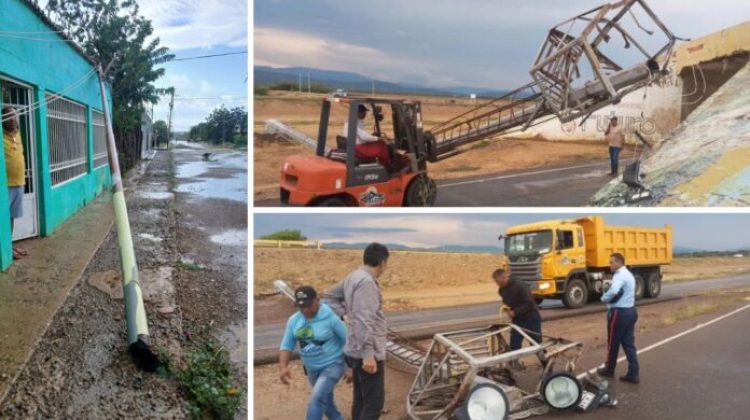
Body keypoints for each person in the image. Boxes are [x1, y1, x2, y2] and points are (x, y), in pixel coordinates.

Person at [324, 243, 389, 420]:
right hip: (367, 352)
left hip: (353, 347)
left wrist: (345, 314)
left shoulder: (354, 276)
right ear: (383, 262)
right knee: (374, 403)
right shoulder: (367, 283)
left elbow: (329, 296)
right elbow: (365, 319)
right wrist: (368, 354)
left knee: (360, 398)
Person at [279, 286, 349, 420]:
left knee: (317, 398)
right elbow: (287, 344)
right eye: (301, 307)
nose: (305, 310)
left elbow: (348, 340)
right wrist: (283, 367)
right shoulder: (294, 321)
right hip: (312, 369)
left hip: (333, 364)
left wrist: (349, 366)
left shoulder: (331, 318)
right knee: (326, 400)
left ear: (317, 300)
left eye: (308, 306)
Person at [597, 252, 640, 384]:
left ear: (618, 262)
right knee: (628, 344)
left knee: (612, 343)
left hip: (619, 313)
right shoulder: (628, 274)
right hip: (631, 311)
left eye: (611, 262)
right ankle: (633, 373)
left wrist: (603, 298)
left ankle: (609, 369)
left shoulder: (619, 275)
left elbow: (614, 290)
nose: (609, 265)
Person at [492, 268, 543, 349]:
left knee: (536, 344)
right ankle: (515, 362)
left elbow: (529, 303)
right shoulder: (501, 290)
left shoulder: (520, 285)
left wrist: (515, 312)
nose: (496, 284)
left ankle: (545, 361)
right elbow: (507, 304)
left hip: (531, 318)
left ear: (504, 277)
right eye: (495, 281)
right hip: (518, 321)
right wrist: (506, 309)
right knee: (514, 345)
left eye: (497, 281)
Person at [2, 106, 28, 259]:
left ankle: (9, 245)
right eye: (9, 117)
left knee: (11, 217)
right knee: (3, 217)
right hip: (4, 185)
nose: (13, 119)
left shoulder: (18, 134)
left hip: (19, 183)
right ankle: (5, 250)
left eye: (15, 116)